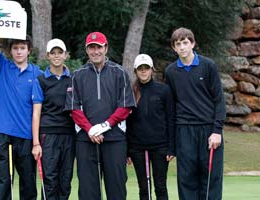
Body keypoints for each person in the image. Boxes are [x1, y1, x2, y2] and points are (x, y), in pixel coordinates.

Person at [65, 31, 136, 200]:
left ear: (106, 48)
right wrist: (90, 129)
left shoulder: (119, 72)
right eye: (92, 48)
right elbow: (73, 108)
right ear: (87, 50)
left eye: (99, 47)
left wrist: (105, 125)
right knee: (89, 191)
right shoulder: (77, 75)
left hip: (115, 139)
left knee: (116, 189)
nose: (95, 51)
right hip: (86, 140)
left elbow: (126, 106)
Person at [164, 27, 226, 200]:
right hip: (184, 131)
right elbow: (172, 106)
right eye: (178, 44)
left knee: (211, 178)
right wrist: (172, 142)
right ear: (174, 48)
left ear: (192, 44)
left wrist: (217, 130)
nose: (182, 47)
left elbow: (219, 100)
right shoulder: (170, 72)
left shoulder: (208, 66)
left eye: (185, 43)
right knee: (186, 178)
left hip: (208, 131)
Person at [0, 36, 42, 200]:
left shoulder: (37, 74)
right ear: (10, 51)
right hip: (3, 132)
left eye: (22, 48)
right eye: (15, 48)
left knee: (28, 182)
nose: (19, 51)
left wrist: (36, 142)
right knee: (3, 180)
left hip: (26, 135)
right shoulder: (2, 67)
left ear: (29, 50)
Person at [127, 54, 176, 200]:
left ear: (152, 70)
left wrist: (172, 147)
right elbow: (127, 123)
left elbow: (171, 119)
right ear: (135, 71)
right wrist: (127, 151)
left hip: (160, 146)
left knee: (160, 186)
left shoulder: (164, 90)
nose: (143, 71)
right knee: (143, 187)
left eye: (146, 68)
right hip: (137, 147)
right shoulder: (130, 92)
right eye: (140, 69)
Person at [31, 38, 75, 200]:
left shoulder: (73, 79)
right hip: (47, 135)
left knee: (65, 180)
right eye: (53, 53)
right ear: (48, 56)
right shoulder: (41, 80)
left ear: (65, 55)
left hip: (69, 135)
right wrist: (36, 143)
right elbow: (36, 113)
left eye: (60, 53)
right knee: (49, 180)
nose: (56, 56)